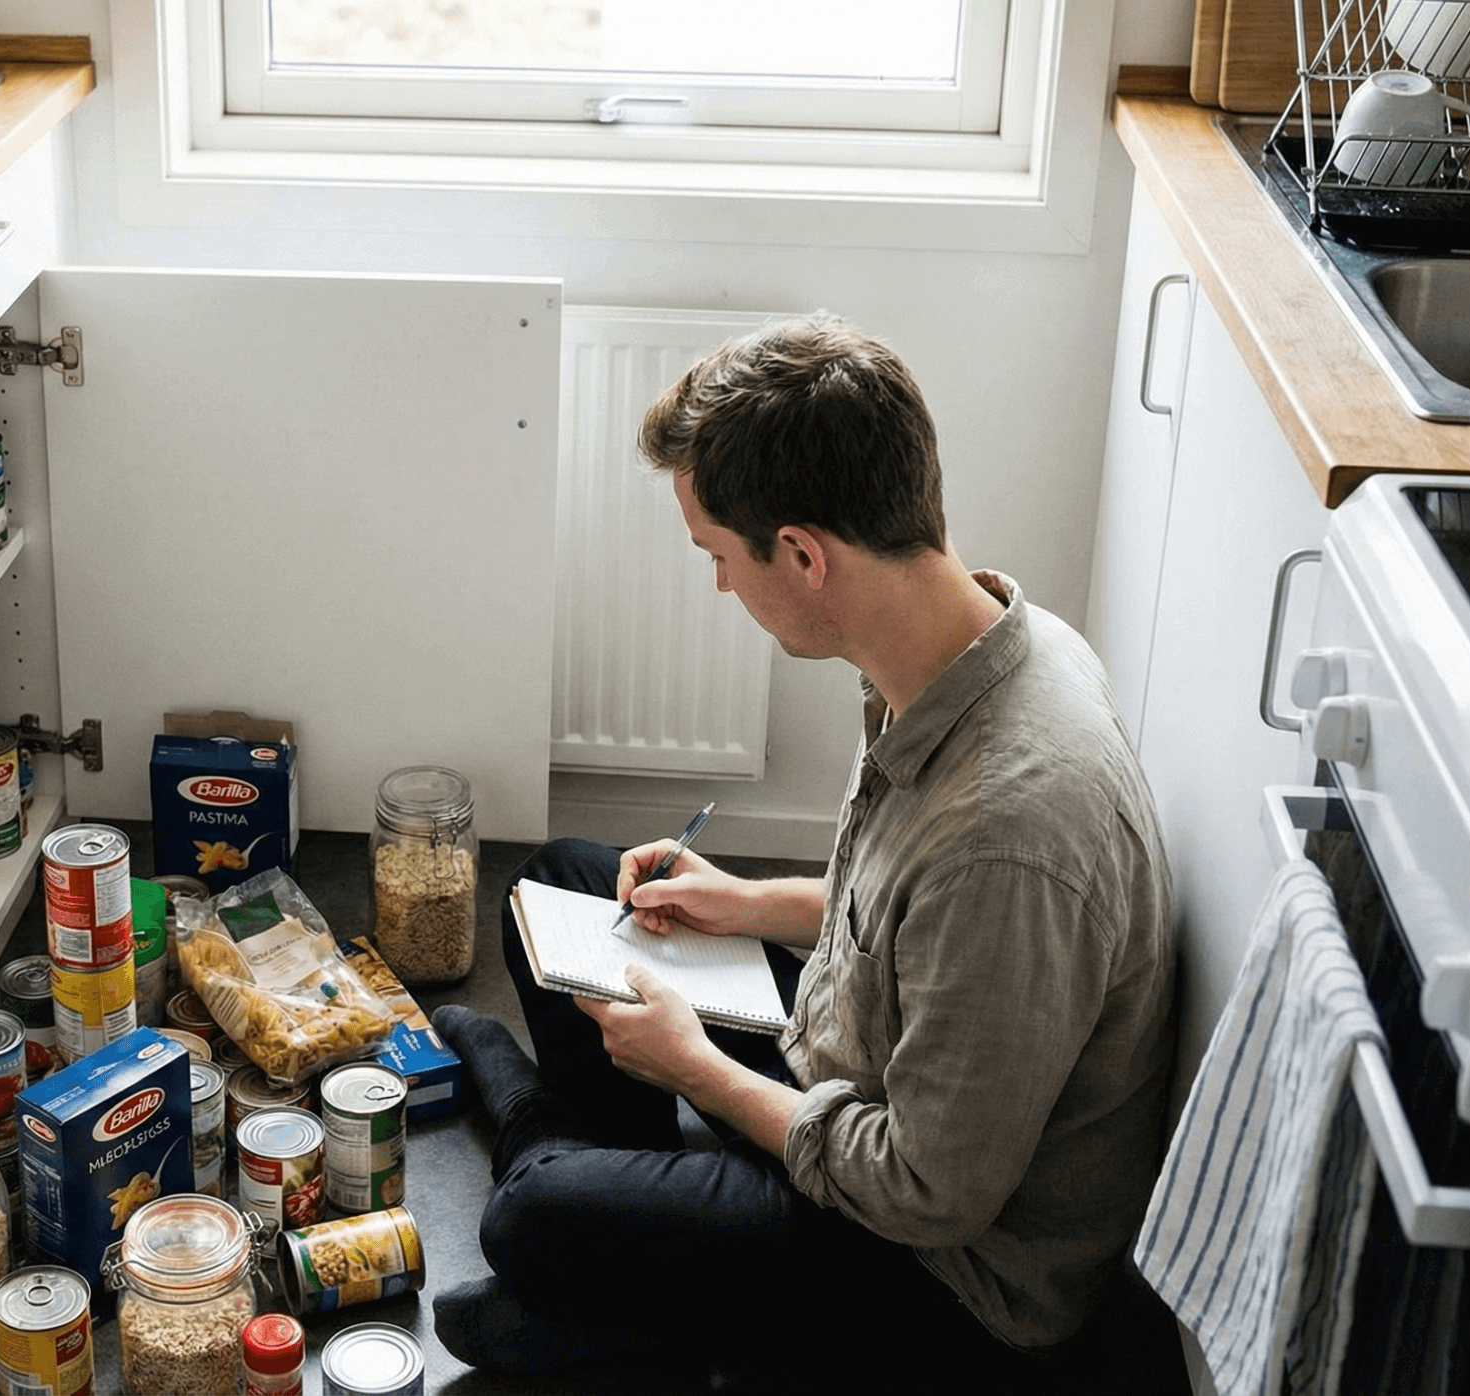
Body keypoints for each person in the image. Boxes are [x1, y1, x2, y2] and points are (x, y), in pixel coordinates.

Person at [430, 314, 1177, 1388]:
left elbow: (926, 1191)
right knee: (562, 879)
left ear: (802, 554)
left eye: (720, 558)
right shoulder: (974, 645)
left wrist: (692, 1067)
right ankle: (619, 1250)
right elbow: (900, 915)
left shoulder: (1006, 837)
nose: (723, 588)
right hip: (852, 1055)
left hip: (937, 1273)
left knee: (532, 1220)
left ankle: (551, 1162)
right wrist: (739, 901)